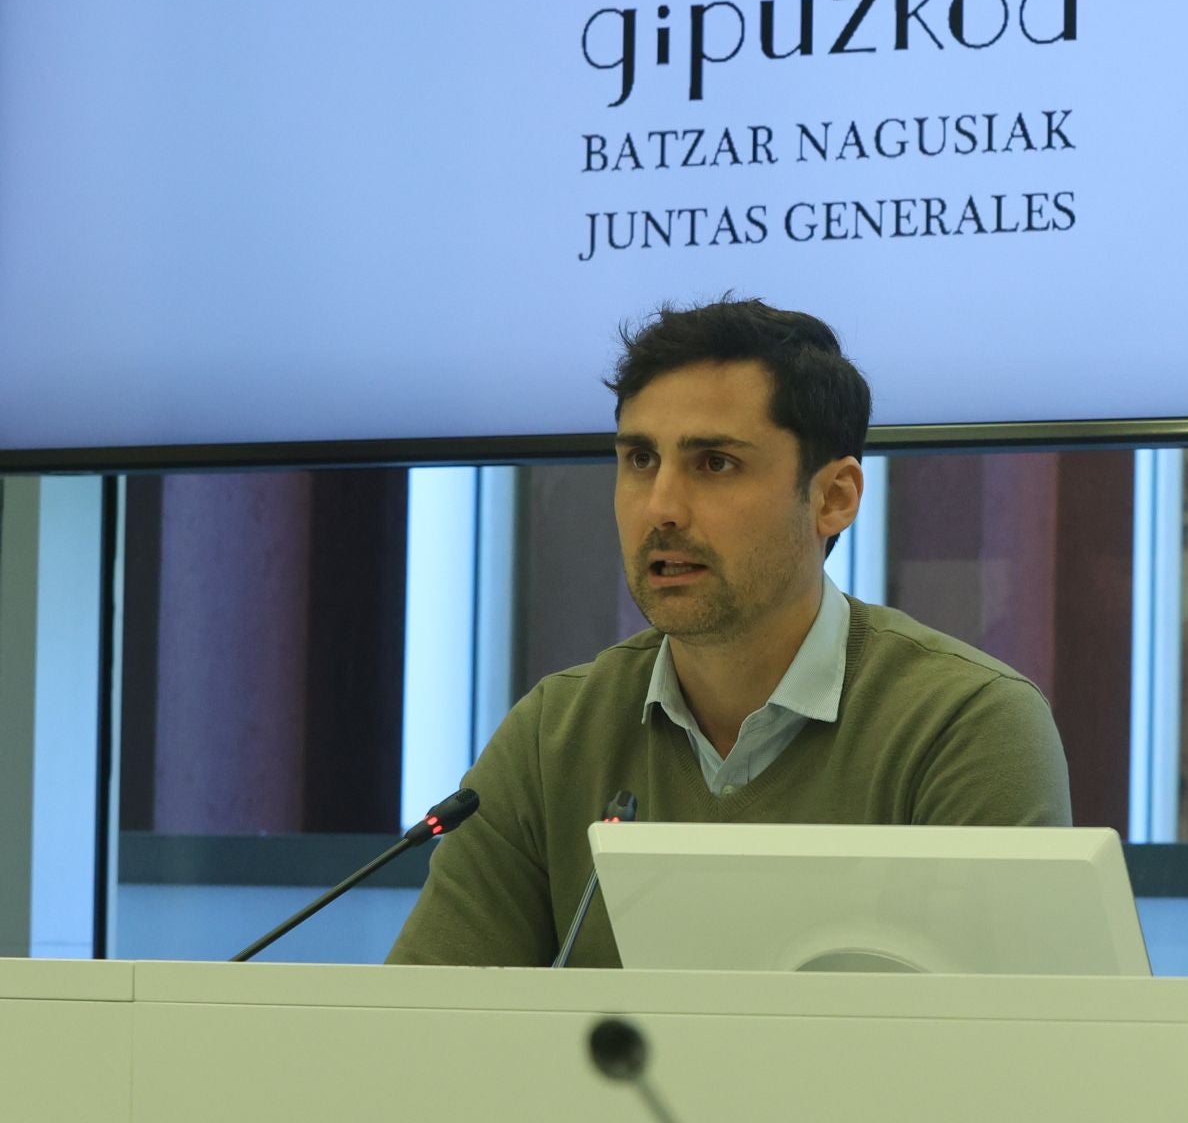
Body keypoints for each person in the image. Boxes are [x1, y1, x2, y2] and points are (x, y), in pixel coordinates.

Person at [389, 299, 1071, 967]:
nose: (661, 508)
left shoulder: (965, 725)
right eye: (639, 460)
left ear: (834, 498)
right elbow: (418, 1035)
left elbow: (1004, 1055)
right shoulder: (555, 734)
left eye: (714, 463)